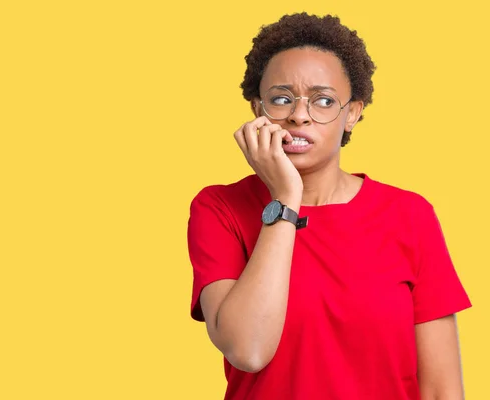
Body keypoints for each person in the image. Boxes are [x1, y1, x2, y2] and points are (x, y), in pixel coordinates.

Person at [186, 12, 472, 400]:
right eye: (281, 99)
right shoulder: (219, 208)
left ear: (352, 113)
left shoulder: (409, 215)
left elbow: (442, 391)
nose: (299, 116)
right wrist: (285, 198)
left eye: (323, 101)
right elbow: (248, 350)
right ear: (258, 110)